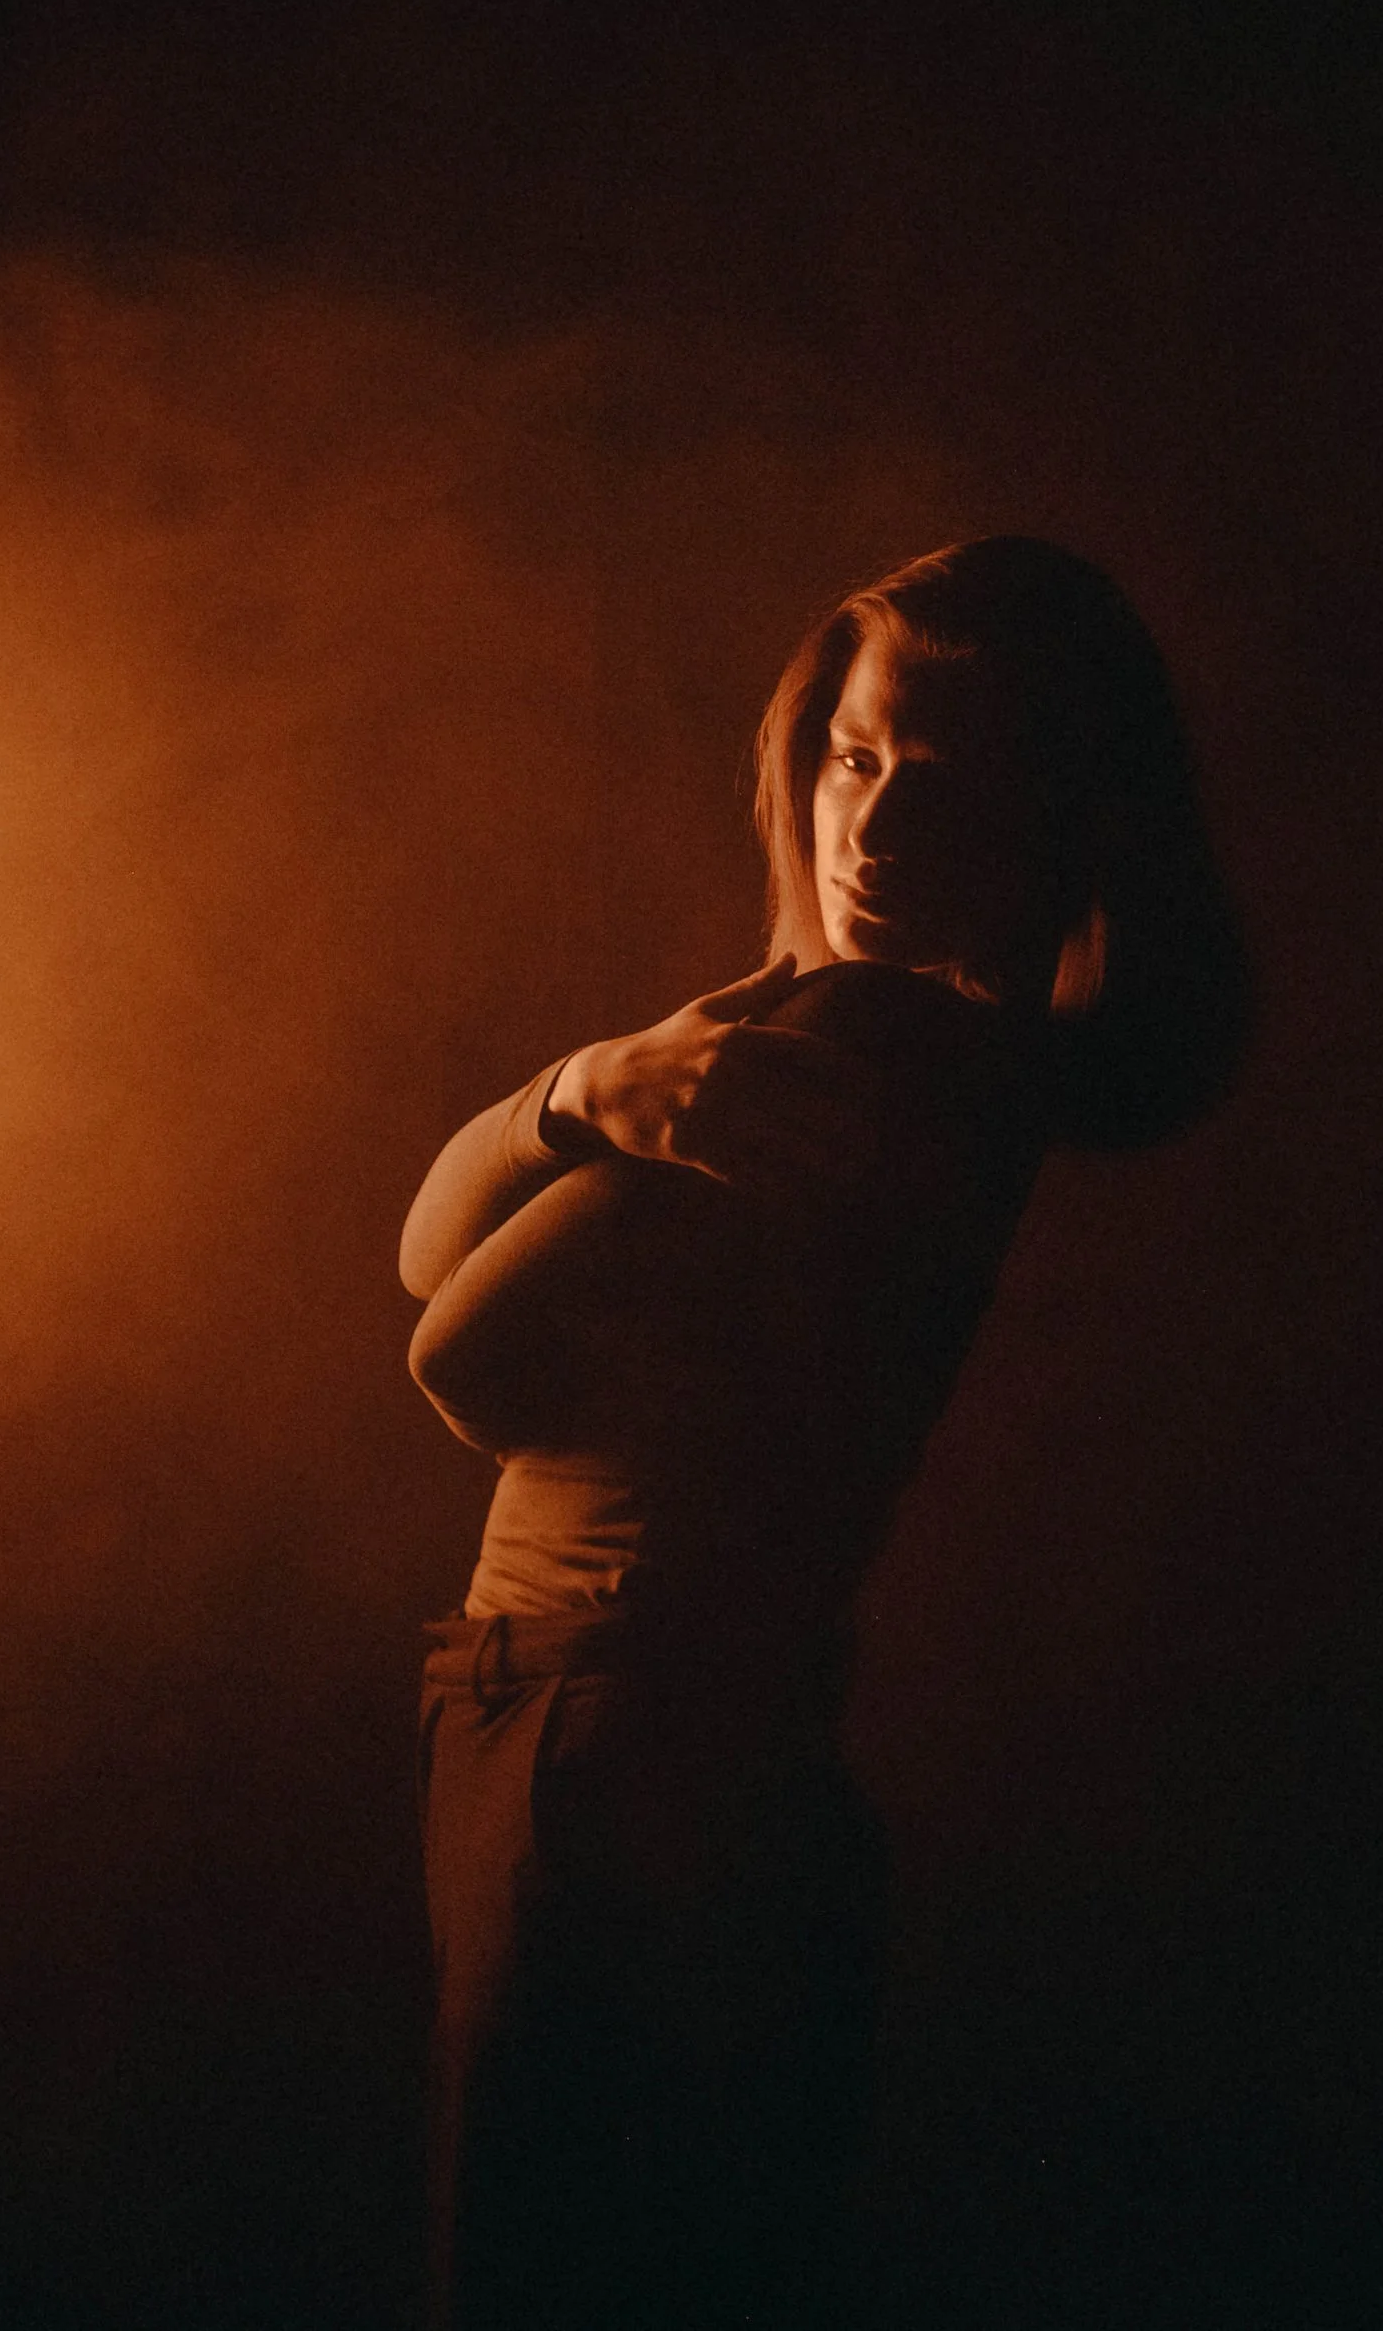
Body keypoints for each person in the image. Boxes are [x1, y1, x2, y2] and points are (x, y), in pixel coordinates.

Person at [400, 535, 1247, 2329]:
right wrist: (596, 1091)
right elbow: (432, 1260)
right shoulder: (992, 1063)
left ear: (1049, 816)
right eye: (855, 757)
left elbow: (450, 1350)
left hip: (593, 1728)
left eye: (940, 780)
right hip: (724, 1732)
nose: (872, 825)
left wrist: (595, 1097)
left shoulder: (841, 1043)